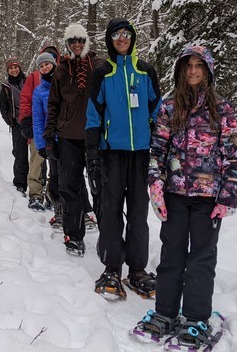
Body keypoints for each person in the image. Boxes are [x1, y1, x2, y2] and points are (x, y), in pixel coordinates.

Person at [131, 45, 237, 349]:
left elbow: (232, 155)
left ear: (208, 70)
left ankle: (195, 318)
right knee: (172, 255)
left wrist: (227, 196)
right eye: (188, 65)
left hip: (209, 198)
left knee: (201, 259)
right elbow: (157, 150)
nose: (193, 71)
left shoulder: (222, 108)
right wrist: (156, 187)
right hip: (175, 194)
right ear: (181, 70)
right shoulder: (169, 106)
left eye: (199, 66)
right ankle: (165, 312)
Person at [85, 18, 161, 298]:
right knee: (111, 211)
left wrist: (159, 148)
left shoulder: (145, 71)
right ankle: (111, 267)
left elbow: (157, 111)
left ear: (133, 38)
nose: (122, 38)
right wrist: (92, 154)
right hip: (111, 154)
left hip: (140, 154)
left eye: (126, 34)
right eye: (117, 34)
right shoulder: (102, 73)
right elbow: (93, 115)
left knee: (139, 213)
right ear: (110, 39)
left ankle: (137, 270)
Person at [45, 23, 101, 257]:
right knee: (70, 187)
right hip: (68, 137)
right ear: (67, 44)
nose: (77, 44)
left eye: (80, 40)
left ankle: (108, 236)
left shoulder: (99, 66)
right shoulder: (61, 70)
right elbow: (53, 104)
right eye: (72, 41)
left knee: (100, 188)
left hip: (95, 137)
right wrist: (49, 135)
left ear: (86, 42)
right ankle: (74, 236)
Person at [19, 44, 60, 212]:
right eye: (42, 63)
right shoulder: (34, 77)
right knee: (37, 162)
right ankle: (36, 193)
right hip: (39, 128)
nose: (45, 67)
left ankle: (52, 194)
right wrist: (25, 120)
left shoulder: (62, 76)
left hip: (58, 131)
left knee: (56, 165)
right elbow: (25, 99)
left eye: (51, 59)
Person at [0, 57, 31, 200]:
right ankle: (20, 184)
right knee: (20, 154)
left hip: (32, 121)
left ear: (20, 68)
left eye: (15, 67)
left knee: (38, 155)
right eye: (11, 68)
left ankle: (39, 184)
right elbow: (3, 107)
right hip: (18, 124)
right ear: (8, 71)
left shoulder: (28, 81)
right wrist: (10, 121)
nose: (14, 70)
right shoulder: (6, 87)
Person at [31, 52, 57, 215]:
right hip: (50, 138)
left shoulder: (64, 84)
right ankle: (54, 201)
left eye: (47, 64)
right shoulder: (39, 91)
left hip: (68, 137)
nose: (45, 67)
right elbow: (38, 119)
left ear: (54, 64)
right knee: (54, 172)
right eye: (41, 66)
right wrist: (41, 145)